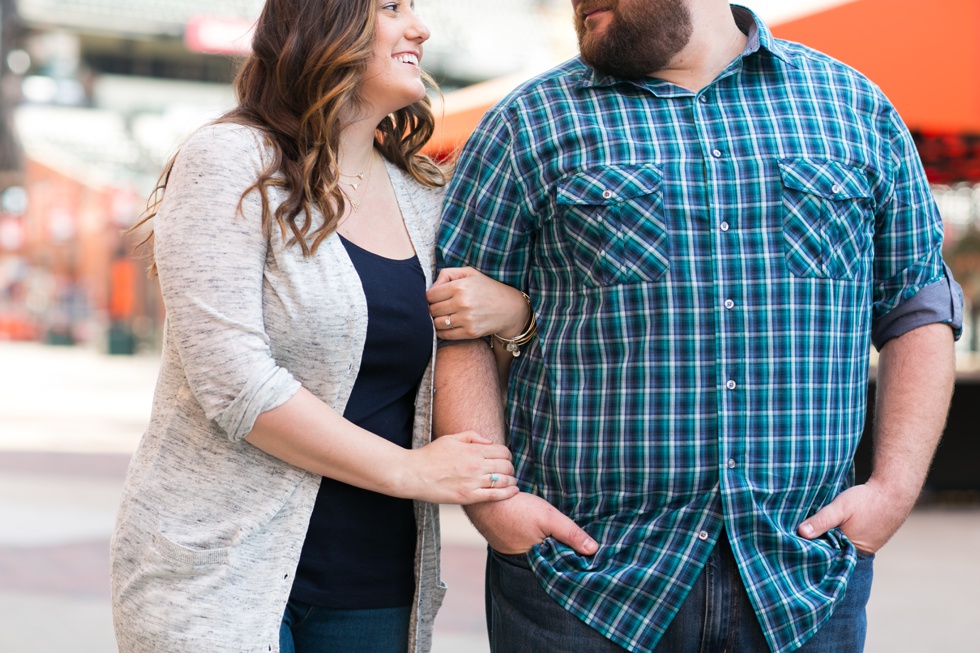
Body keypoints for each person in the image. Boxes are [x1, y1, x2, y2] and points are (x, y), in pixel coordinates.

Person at [432, 1, 964, 652]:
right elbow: (456, 321)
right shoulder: (527, 123)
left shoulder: (854, 108)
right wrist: (496, 505)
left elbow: (918, 305)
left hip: (801, 577)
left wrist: (892, 490)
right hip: (579, 580)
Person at [109, 2, 529, 652]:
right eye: (392, 7)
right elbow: (234, 382)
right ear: (324, 19)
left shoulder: (427, 199)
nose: (419, 28)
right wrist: (410, 471)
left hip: (377, 587)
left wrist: (512, 316)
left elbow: (449, 372)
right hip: (217, 572)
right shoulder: (230, 162)